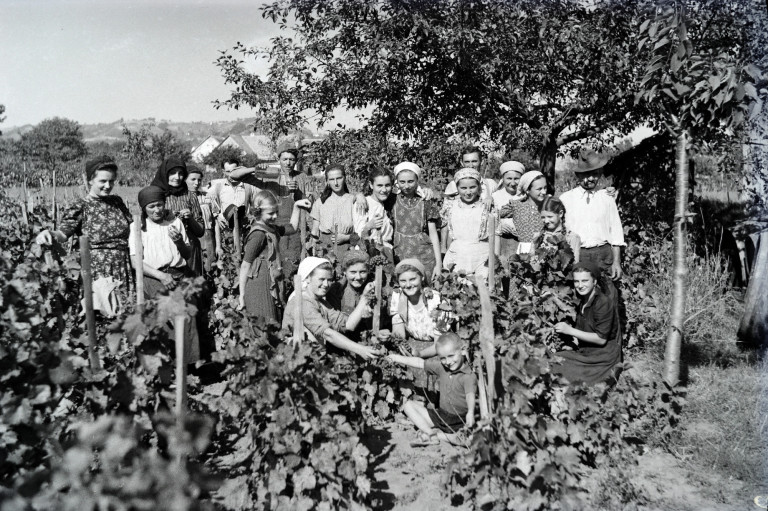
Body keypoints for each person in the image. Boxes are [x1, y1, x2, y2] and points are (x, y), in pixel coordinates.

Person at [36, 155, 132, 316]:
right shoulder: (81, 206)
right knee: (102, 318)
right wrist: (49, 233)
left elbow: (134, 228)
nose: (108, 186)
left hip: (123, 266)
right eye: (102, 181)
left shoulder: (117, 202)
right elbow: (62, 233)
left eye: (111, 181)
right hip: (98, 270)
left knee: (125, 317)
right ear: (90, 181)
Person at [129, 185, 199, 363]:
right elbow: (135, 262)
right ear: (144, 208)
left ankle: (187, 369)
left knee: (186, 319)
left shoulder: (175, 223)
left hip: (179, 275)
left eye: (159, 205)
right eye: (151, 206)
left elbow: (187, 254)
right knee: (164, 322)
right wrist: (161, 276)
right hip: (154, 278)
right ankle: (167, 370)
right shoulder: (138, 228)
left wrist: (178, 242)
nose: (156, 210)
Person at [230, 142, 313, 279]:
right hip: (273, 227)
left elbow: (310, 204)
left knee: (294, 268)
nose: (288, 163)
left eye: (291, 159)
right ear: (278, 159)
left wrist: (298, 192)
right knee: (276, 267)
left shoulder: (302, 177)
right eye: (284, 159)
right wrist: (254, 168)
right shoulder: (269, 174)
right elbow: (234, 175)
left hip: (294, 228)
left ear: (296, 161)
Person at [282, 257, 382, 359]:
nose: (326, 284)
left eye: (329, 280)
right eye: (321, 279)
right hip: (297, 361)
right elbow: (328, 334)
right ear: (307, 278)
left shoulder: (321, 303)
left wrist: (364, 298)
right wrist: (360, 349)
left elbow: (348, 325)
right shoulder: (301, 302)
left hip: (315, 359)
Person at [386, 332, 476, 445]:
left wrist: (471, 412)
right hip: (441, 416)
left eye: (451, 356)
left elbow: (470, 395)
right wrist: (396, 358)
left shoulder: (468, 376)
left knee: (470, 440)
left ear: (462, 350)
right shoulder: (442, 367)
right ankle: (432, 435)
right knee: (407, 405)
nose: (448, 362)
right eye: (443, 358)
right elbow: (419, 362)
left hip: (459, 421)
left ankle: (443, 436)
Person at [559, 149, 625, 299]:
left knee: (608, 298)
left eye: (595, 174)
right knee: (581, 300)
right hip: (579, 255)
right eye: (586, 175)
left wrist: (616, 262)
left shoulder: (606, 198)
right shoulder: (566, 199)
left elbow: (616, 233)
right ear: (578, 175)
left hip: (604, 255)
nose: (590, 179)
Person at [237, 191, 311, 321]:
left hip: (272, 279)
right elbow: (245, 265)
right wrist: (242, 295)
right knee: (264, 321)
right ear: (258, 212)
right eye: (271, 213)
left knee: (273, 320)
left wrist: (296, 207)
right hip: (260, 284)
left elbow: (293, 227)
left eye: (276, 212)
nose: (275, 216)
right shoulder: (258, 234)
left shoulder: (271, 228)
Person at [553, 261, 622, 385]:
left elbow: (601, 339)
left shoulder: (602, 303)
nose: (580, 285)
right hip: (586, 353)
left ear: (594, 281)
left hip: (602, 359)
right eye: (576, 281)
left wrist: (570, 330)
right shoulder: (583, 301)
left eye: (585, 281)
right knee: (552, 361)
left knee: (565, 379)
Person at [441, 168, 501, 279]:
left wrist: (495, 260)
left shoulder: (487, 206)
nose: (468, 192)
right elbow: (447, 230)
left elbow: (496, 234)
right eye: (463, 188)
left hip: (482, 258)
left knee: (481, 290)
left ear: (479, 187)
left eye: (472, 187)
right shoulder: (450, 206)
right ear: (457, 188)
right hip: (457, 256)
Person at [151, 157, 205, 276]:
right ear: (165, 174)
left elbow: (201, 231)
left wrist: (189, 218)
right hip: (164, 249)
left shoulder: (190, 196)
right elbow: (146, 225)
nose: (177, 177)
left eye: (181, 173)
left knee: (192, 288)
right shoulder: (155, 195)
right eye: (172, 173)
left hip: (190, 249)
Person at [389, 259, 451, 360]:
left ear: (422, 278)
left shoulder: (436, 301)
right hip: (412, 344)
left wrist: (419, 354)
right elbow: (399, 334)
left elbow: (439, 343)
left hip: (435, 348)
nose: (408, 285)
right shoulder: (398, 297)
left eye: (413, 279)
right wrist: (404, 348)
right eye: (403, 281)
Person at [391, 162, 442, 282]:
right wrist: (359, 195)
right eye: (402, 182)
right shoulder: (391, 200)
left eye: (411, 181)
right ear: (396, 182)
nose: (407, 186)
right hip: (400, 252)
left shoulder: (426, 201)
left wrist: (439, 263)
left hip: (424, 254)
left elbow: (433, 234)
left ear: (417, 181)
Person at [206, 158, 263, 260]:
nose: (231, 175)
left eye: (234, 171)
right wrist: (217, 216)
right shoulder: (217, 188)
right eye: (228, 171)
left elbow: (259, 206)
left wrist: (251, 217)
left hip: (244, 233)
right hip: (226, 235)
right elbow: (209, 206)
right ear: (223, 172)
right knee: (228, 266)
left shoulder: (249, 187)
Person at [310, 164, 358, 262]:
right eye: (332, 179)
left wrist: (347, 237)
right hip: (325, 249)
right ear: (327, 181)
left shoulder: (353, 200)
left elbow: (362, 232)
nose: (336, 183)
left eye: (339, 178)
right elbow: (315, 232)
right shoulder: (320, 202)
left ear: (344, 178)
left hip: (347, 248)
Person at [328, 251, 378, 337]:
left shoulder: (374, 287)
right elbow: (340, 325)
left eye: (362, 272)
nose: (358, 277)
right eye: (353, 272)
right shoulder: (336, 290)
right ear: (344, 271)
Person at [499, 170, 549, 255]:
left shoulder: (549, 205)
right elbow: (498, 214)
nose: (544, 192)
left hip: (544, 249)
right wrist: (503, 226)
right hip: (523, 250)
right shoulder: (517, 206)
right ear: (527, 190)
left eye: (545, 188)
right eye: (539, 189)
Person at [354, 168, 395, 263]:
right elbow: (358, 234)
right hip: (367, 252)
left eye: (387, 185)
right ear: (371, 185)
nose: (384, 190)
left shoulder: (391, 201)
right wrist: (369, 226)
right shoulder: (363, 203)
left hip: (387, 253)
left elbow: (409, 190)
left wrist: (426, 190)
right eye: (379, 185)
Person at [492, 161, 526, 258]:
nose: (513, 182)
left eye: (516, 179)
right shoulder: (495, 196)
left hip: (522, 241)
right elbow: (490, 219)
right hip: (500, 241)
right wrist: (499, 226)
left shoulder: (526, 196)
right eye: (509, 178)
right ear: (503, 179)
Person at [186, 165, 216, 272]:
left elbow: (215, 222)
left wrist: (218, 245)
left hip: (208, 237)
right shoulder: (181, 199)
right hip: (190, 239)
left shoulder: (207, 197)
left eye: (199, 180)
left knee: (210, 268)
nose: (196, 183)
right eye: (193, 179)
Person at [533, 196, 581, 262]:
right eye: (543, 217)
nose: (546, 221)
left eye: (550, 217)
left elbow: (575, 264)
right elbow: (532, 259)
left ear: (560, 213)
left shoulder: (572, 237)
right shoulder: (538, 236)